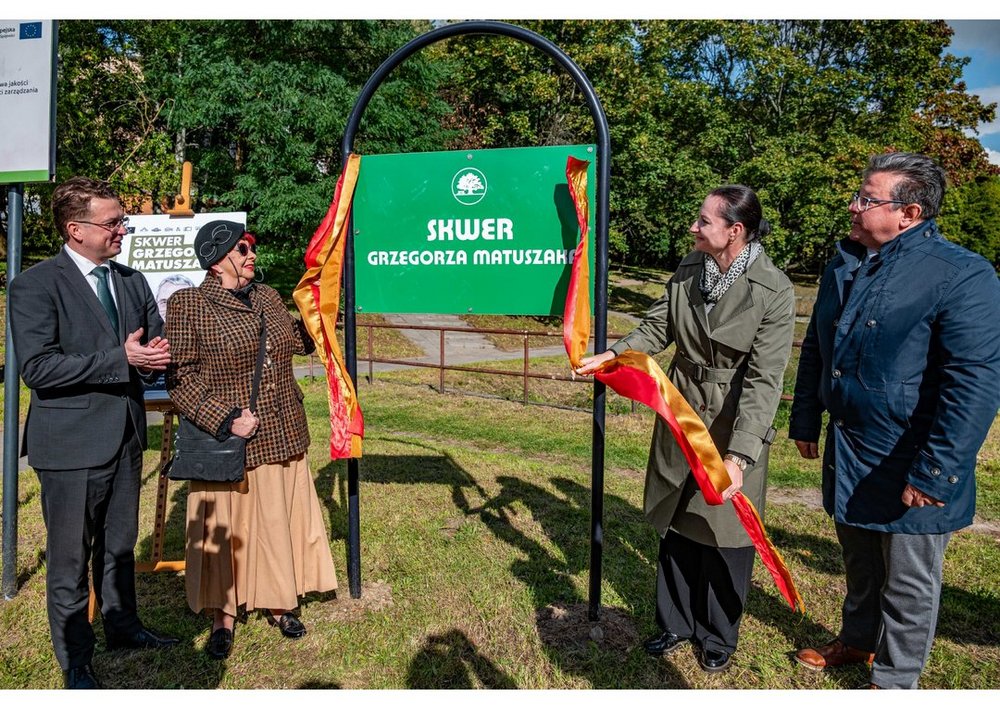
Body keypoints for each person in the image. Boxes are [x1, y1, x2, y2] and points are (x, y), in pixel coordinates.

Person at [789, 152, 1000, 689]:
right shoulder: (845, 263)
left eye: (866, 198)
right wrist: (806, 417)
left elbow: (973, 383)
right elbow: (817, 347)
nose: (853, 206)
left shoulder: (962, 274)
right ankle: (858, 640)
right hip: (851, 446)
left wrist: (936, 472)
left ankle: (894, 682)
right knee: (859, 560)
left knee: (908, 581)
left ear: (909, 213)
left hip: (911, 454)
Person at [576, 185, 795, 672]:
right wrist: (614, 354)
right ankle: (674, 622)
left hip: (734, 420)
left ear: (735, 231)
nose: (693, 227)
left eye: (703, 221)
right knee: (677, 518)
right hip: (680, 408)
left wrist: (739, 456)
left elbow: (764, 380)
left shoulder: (774, 289)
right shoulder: (691, 267)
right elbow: (659, 327)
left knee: (724, 530)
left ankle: (717, 634)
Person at [8, 176, 178, 690]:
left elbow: (151, 344)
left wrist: (155, 357)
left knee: (119, 547)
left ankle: (123, 628)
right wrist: (120, 358)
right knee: (69, 560)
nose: (123, 229)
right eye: (113, 222)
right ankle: (76, 662)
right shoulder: (35, 285)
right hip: (70, 446)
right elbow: (37, 368)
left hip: (126, 437)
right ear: (75, 229)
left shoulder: (131, 281)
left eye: (123, 221)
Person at [165, 219, 337, 661]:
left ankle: (280, 603)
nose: (251, 254)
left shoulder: (267, 296)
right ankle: (222, 615)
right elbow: (180, 379)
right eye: (242, 248)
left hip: (282, 429)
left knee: (277, 521)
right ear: (216, 259)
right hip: (230, 440)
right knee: (228, 528)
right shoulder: (189, 304)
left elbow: (297, 342)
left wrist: (323, 311)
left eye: (251, 246)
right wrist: (225, 418)